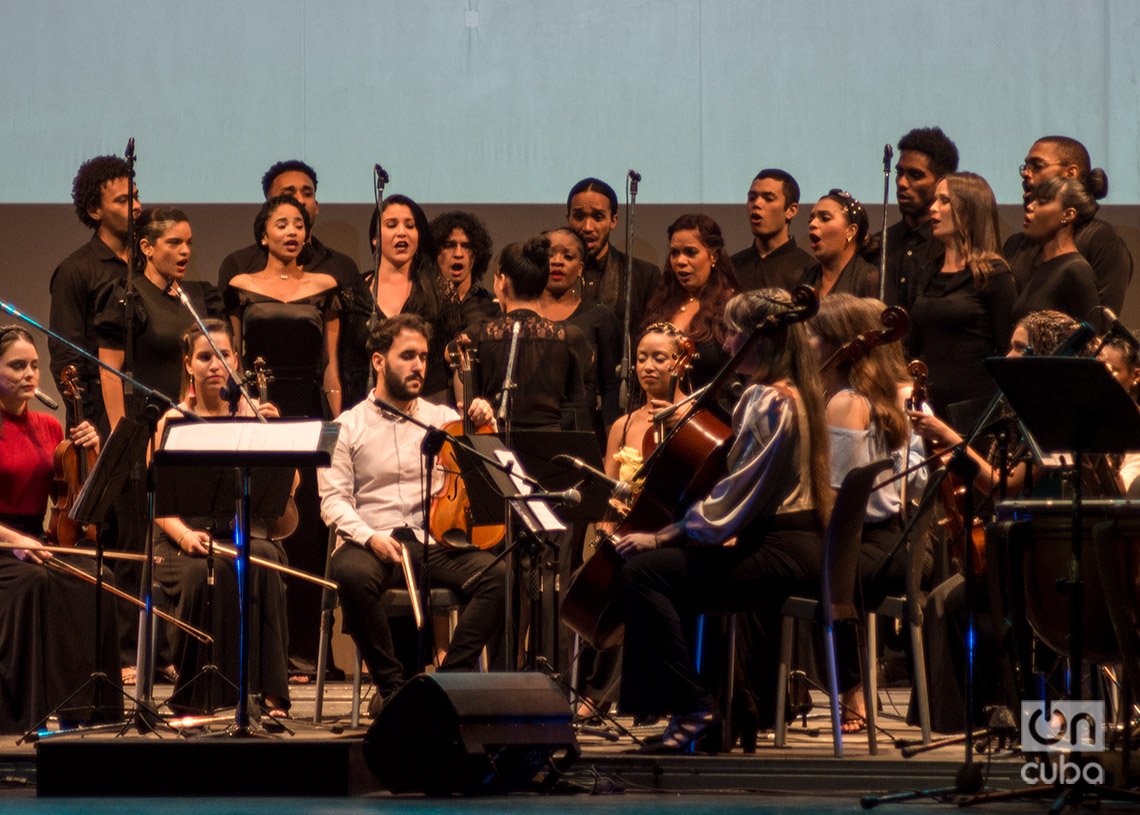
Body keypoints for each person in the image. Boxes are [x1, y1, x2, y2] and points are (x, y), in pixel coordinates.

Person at [614, 288, 832, 753]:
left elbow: (737, 495)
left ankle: (694, 707)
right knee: (687, 571)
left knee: (642, 572)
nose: (726, 342)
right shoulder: (802, 391)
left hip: (781, 551)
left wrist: (666, 534)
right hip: (800, 546)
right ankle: (732, 707)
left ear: (761, 339)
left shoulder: (767, 400)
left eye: (734, 332)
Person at [318, 314, 505, 714]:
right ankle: (395, 690)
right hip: (371, 539)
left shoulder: (443, 420)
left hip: (430, 540)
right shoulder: (344, 425)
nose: (418, 365)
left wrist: (485, 428)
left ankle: (444, 684)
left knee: (497, 574)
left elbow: (486, 477)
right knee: (350, 575)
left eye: (422, 356)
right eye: (407, 356)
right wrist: (369, 537)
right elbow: (332, 501)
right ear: (378, 361)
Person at [224, 194, 341, 676]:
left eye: (298, 224)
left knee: (311, 531)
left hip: (308, 410)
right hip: (259, 410)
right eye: (281, 224)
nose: (292, 231)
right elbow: (231, 356)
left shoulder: (325, 285)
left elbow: (331, 365)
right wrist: (237, 412)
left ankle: (311, 654)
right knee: (265, 522)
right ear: (263, 234)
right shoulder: (241, 285)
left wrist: (339, 424)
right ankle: (262, 651)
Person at [152, 319, 293, 717]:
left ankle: (267, 691)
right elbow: (159, 506)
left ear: (237, 362)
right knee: (204, 573)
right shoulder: (172, 421)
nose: (216, 365)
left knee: (264, 558)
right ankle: (200, 692)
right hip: (183, 541)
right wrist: (183, 537)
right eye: (205, 356)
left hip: (236, 532)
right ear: (188, 364)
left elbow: (286, 490)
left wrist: (275, 434)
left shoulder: (253, 417)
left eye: (224, 356)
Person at [809, 294, 931, 731]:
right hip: (907, 545)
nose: (804, 342)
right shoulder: (907, 396)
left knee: (808, 567)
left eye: (812, 335)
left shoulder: (844, 403)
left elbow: (836, 504)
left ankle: (852, 690)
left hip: (865, 544)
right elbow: (918, 485)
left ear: (839, 344)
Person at [0, 325, 121, 732]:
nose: (30, 374)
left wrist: (91, 451)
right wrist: (15, 541)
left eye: (34, 365)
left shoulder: (49, 428)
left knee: (97, 578)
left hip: (36, 540)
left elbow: (78, 502)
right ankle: (22, 718)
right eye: (17, 366)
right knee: (34, 583)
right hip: (4, 544)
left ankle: (86, 715)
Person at [94, 207, 223, 429]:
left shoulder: (201, 297)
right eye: (174, 243)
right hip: (147, 423)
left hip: (192, 424)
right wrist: (120, 435)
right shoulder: (129, 296)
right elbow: (109, 372)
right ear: (147, 247)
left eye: (188, 243)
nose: (185, 251)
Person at [907, 173, 1016, 426]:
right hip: (927, 408)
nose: (933, 208)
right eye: (934, 200)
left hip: (973, 414)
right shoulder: (928, 272)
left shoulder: (994, 274)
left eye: (944, 201)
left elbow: (1006, 352)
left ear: (969, 210)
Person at [49, 155, 141, 438]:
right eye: (123, 201)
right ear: (94, 210)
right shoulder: (76, 270)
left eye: (136, 197)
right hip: (97, 416)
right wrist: (85, 420)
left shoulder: (148, 262)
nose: (136, 208)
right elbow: (67, 354)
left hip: (147, 404)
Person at [340, 196, 462, 407]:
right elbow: (338, 364)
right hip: (366, 412)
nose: (402, 232)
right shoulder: (354, 293)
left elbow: (457, 360)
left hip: (427, 409)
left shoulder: (439, 292)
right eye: (391, 225)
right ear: (375, 238)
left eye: (410, 225)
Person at [465, 237, 586, 431]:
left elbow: (450, 357)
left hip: (496, 446)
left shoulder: (481, 334)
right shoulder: (568, 336)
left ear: (502, 281)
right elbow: (578, 408)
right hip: (553, 450)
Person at [1003, 136, 1132, 314]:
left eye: (1037, 166)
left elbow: (1100, 323)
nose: (1026, 173)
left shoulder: (1099, 239)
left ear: (1071, 173)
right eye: (1025, 167)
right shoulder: (1015, 244)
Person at [217, 160, 358, 291]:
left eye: (307, 194)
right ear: (269, 206)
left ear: (316, 206)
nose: (300, 200)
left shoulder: (341, 266)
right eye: (289, 195)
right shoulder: (239, 264)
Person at [862, 127, 960, 310]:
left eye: (915, 175)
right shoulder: (879, 245)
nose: (901, 183)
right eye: (900, 173)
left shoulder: (953, 248)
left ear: (942, 181)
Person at [640, 214, 739, 389]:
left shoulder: (731, 305)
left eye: (690, 252)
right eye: (674, 253)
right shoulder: (662, 302)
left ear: (713, 256)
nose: (680, 261)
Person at [539, 227, 622, 433]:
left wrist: (612, 446)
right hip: (531, 425)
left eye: (568, 256)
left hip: (582, 428)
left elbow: (610, 388)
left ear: (580, 269)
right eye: (549, 255)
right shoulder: (521, 313)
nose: (557, 261)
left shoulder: (599, 316)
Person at [566, 178, 660, 333]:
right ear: (568, 219)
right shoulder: (550, 273)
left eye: (597, 217)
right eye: (579, 216)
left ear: (613, 221)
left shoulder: (643, 275)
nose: (587, 227)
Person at [1011, 176, 1100, 324]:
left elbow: (1091, 339)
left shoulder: (1076, 270)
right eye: (1032, 200)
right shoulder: (1044, 266)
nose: (1030, 206)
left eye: (1042, 202)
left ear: (1068, 214)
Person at [730, 169, 814, 291]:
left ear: (791, 210)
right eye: (752, 198)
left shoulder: (809, 271)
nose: (757, 204)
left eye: (768, 199)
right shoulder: (732, 267)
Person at [801, 190, 880, 298]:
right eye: (811, 219)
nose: (812, 224)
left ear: (850, 231)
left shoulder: (869, 278)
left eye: (825, 218)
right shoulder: (807, 277)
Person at [430, 210, 499, 330]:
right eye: (450, 245)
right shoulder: (423, 304)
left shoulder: (493, 308)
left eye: (466, 246)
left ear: (477, 253)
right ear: (435, 252)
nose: (458, 253)